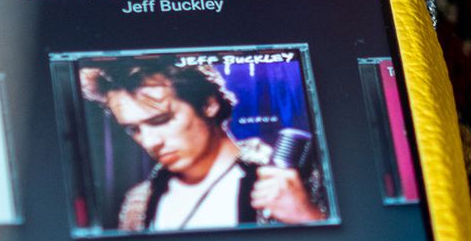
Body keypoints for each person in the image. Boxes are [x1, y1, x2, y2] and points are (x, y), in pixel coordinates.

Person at [77, 59, 326, 231]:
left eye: (162, 120)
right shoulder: (137, 202)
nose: (151, 142)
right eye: (134, 129)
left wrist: (308, 217)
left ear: (208, 104)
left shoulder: (292, 180)